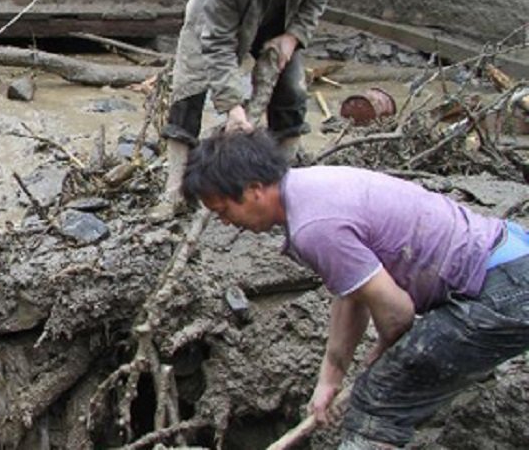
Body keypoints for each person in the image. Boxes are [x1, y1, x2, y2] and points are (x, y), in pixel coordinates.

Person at [182, 130, 529, 449]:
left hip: (504, 289)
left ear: (254, 190)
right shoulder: (309, 187)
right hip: (508, 258)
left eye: (223, 210)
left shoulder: (314, 226)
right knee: (409, 365)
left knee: (379, 397)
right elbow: (353, 292)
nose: (226, 222)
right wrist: (329, 380)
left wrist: (385, 352)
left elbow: (397, 312)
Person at [152, 0, 336, 220]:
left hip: (282, 17)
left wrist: (294, 36)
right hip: (214, 22)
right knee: (188, 93)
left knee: (291, 92)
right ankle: (174, 194)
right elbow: (217, 43)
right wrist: (233, 108)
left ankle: (284, 189)